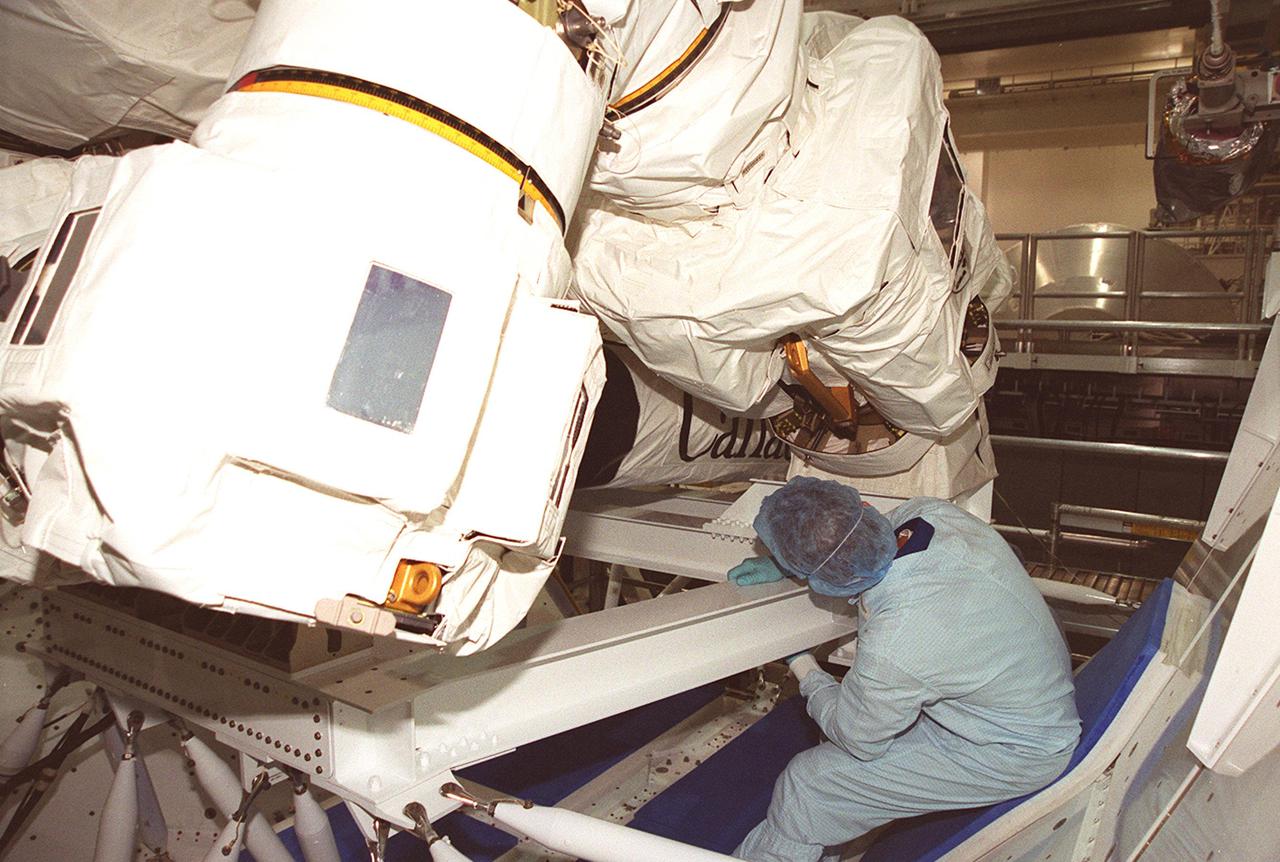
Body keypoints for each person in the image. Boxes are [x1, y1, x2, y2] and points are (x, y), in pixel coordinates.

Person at [731, 476, 1080, 862]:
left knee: (811, 784)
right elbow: (853, 539)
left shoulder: (898, 640)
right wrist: (786, 566)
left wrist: (804, 668)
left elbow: (858, 737)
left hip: (1010, 750)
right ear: (862, 507)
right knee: (847, 740)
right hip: (1019, 696)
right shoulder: (932, 514)